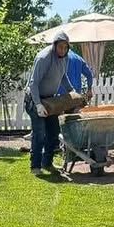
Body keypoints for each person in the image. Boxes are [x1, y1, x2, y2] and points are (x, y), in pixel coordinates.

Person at [25, 30, 94, 176]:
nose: (62, 50)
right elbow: (33, 83)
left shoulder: (65, 57)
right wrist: (38, 104)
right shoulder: (44, 58)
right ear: (54, 45)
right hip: (34, 99)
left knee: (53, 132)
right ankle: (35, 167)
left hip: (50, 100)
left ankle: (47, 163)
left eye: (65, 47)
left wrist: (72, 91)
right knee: (39, 134)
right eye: (60, 47)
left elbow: (63, 76)